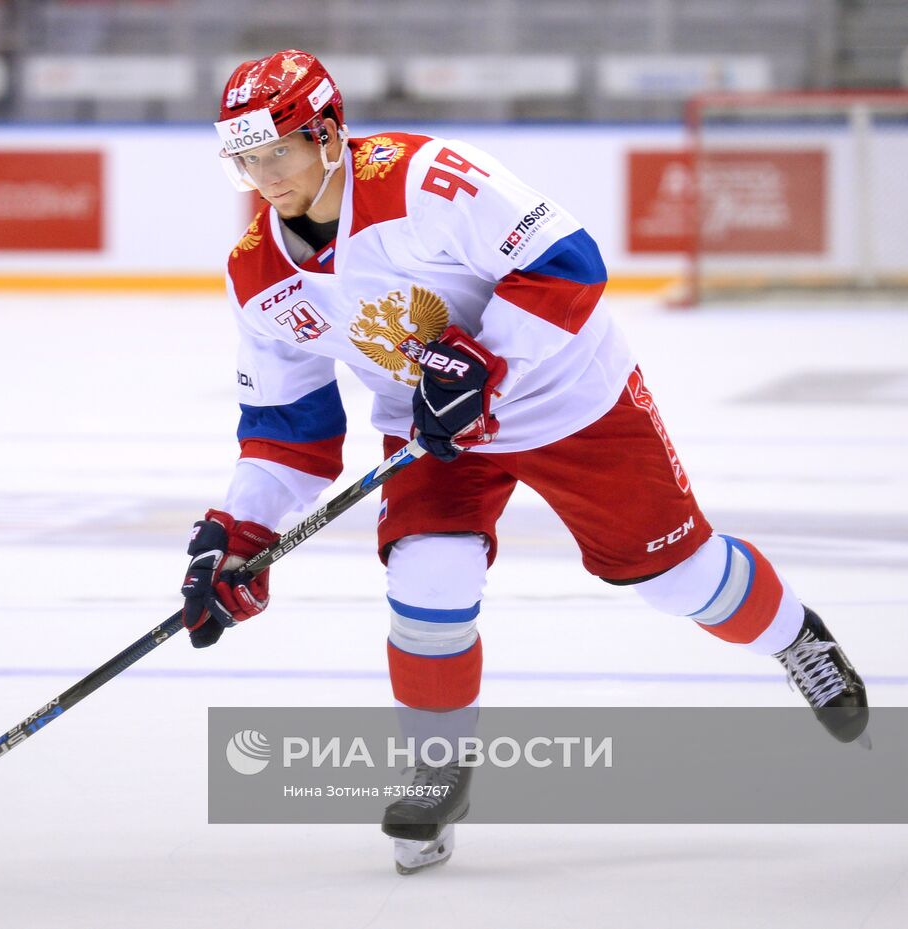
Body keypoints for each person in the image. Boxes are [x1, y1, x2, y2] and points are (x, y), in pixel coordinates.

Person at [177, 50, 869, 875]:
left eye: (276, 154)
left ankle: (798, 637)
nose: (262, 179)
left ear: (328, 135)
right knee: (429, 575)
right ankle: (437, 769)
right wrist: (238, 527)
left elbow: (568, 263)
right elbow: (290, 431)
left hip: (568, 395)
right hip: (434, 431)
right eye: (245, 161)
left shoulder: (424, 180)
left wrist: (483, 363)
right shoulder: (257, 271)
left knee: (679, 579)